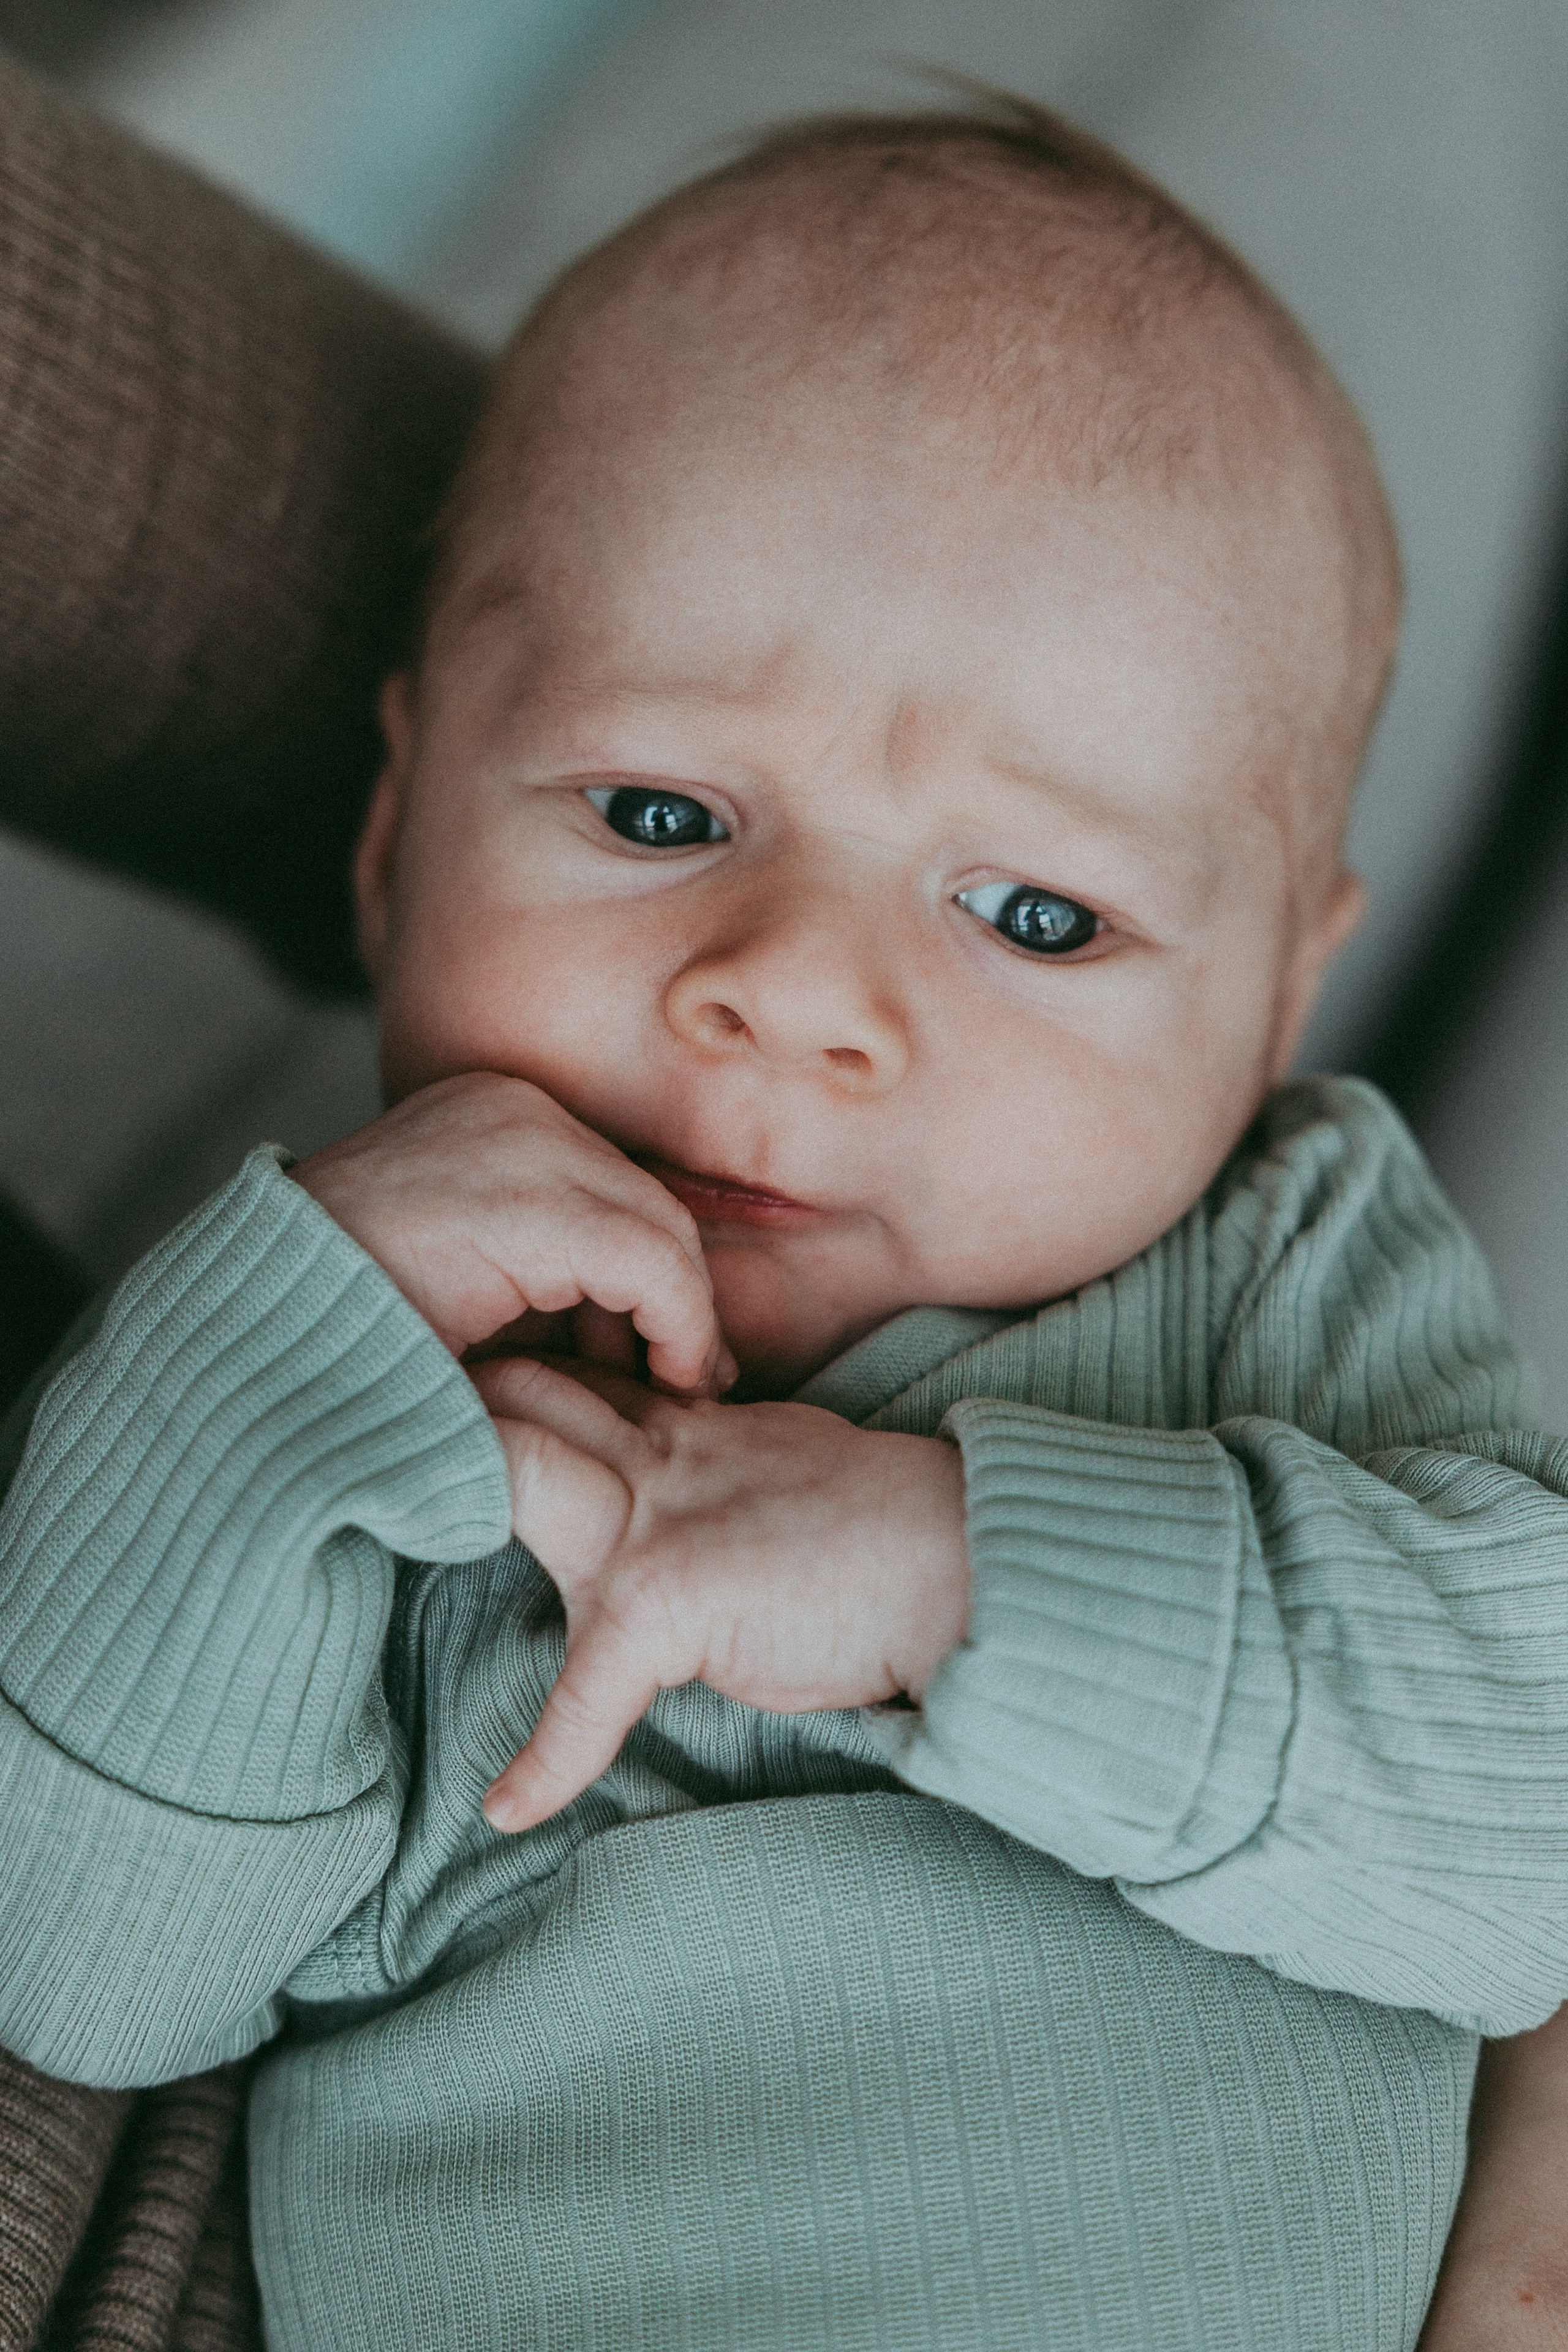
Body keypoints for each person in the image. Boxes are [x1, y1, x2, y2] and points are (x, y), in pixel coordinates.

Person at [3, 90, 1568, 2352]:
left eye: (1040, 912)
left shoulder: (1278, 1263)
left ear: (1278, 1004)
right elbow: (85, 1964)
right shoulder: (376, 1372)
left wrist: (957, 1573)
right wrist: (260, 1376)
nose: (802, 996)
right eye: (659, 807)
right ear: (389, 827)